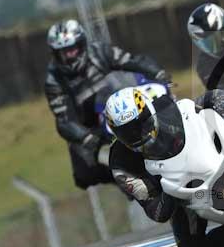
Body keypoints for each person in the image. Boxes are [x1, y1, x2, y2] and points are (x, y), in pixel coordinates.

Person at [105, 87, 224, 247]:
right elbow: (157, 212)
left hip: (206, 153)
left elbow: (197, 105)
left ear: (149, 110)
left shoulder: (165, 105)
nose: (138, 133)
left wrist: (223, 104)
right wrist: (169, 188)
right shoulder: (121, 165)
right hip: (181, 193)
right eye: (128, 131)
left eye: (142, 123)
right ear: (116, 133)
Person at [44, 19, 170, 190]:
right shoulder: (54, 80)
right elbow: (64, 119)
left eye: (72, 49)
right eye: (64, 52)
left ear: (82, 44)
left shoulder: (101, 52)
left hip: (126, 107)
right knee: (93, 171)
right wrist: (86, 137)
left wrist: (157, 72)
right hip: (95, 128)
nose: (70, 56)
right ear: (55, 54)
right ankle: (138, 189)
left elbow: (132, 61)